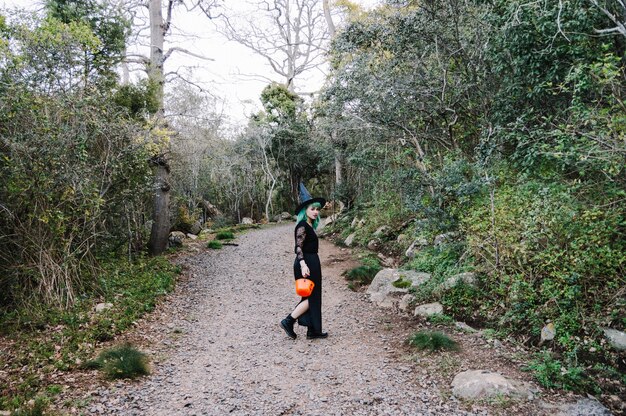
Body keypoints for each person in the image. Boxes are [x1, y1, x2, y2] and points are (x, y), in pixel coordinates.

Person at [280, 183, 328, 340]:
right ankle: (289, 321)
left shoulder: (309, 225)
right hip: (305, 263)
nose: (315, 212)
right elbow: (298, 247)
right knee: (311, 296)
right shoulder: (302, 226)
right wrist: (303, 265)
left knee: (313, 295)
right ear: (304, 210)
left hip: (312, 261)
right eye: (312, 209)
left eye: (317, 209)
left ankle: (313, 330)